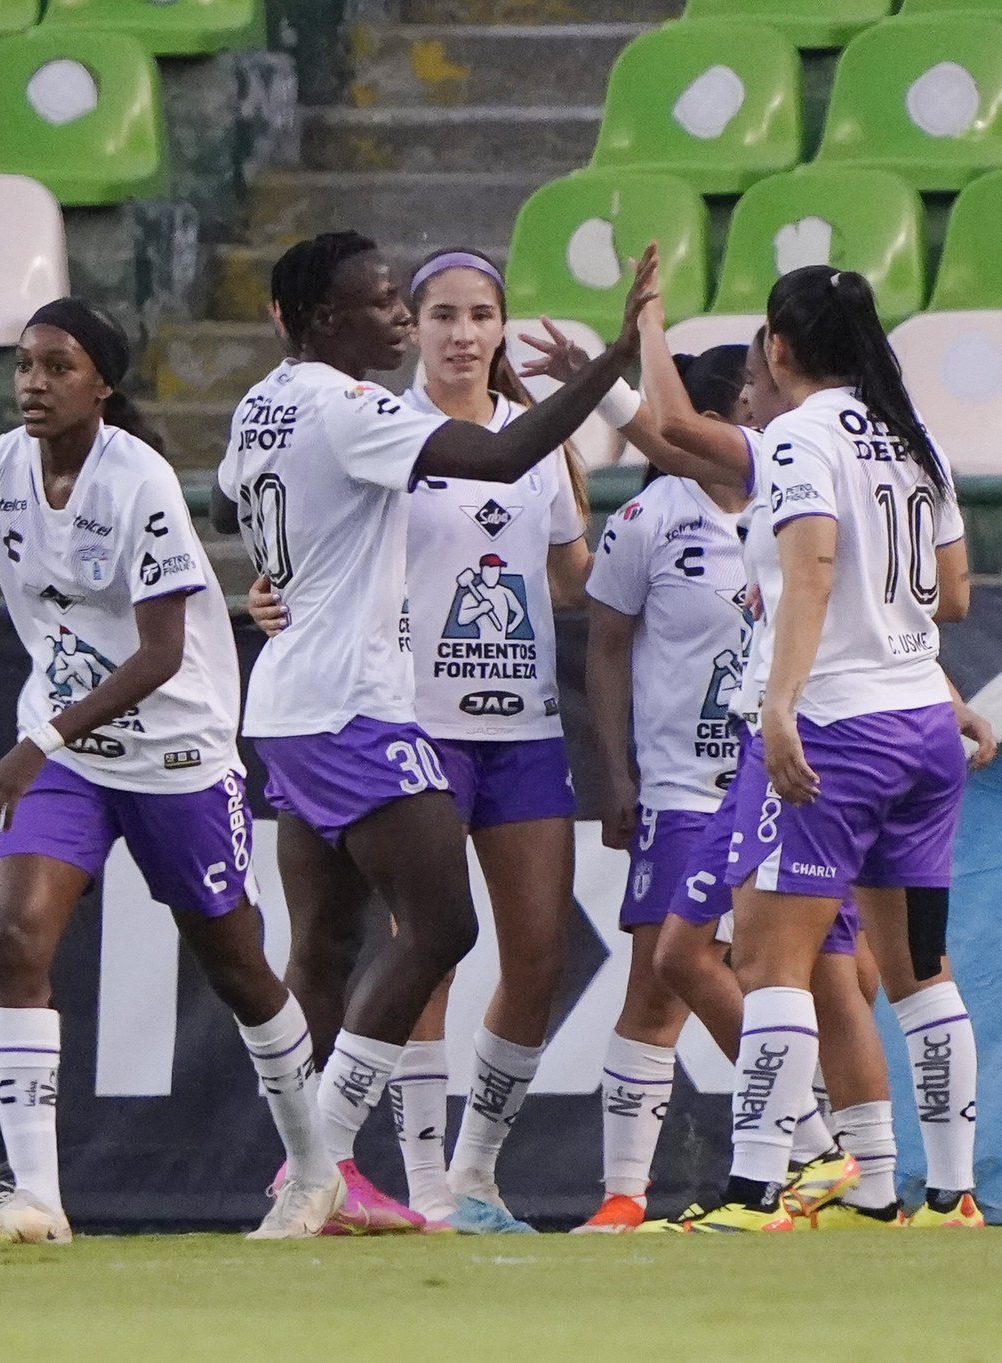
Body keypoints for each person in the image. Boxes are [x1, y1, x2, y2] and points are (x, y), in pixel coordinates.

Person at [212, 232, 655, 1234]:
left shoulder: (271, 400)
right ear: (328, 318)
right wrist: (617, 366)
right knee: (433, 934)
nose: (426, 327)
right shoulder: (373, 415)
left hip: (439, 717)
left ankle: (404, 1177)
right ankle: (354, 1174)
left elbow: (232, 490)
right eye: (407, 308)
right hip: (386, 709)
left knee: (371, 942)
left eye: (474, 313)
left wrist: (283, 563)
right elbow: (497, 455)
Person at [0, 298, 335, 1244]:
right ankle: (38, 1198)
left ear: (103, 383)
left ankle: (316, 1172)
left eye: (58, 366)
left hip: (177, 754)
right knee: (14, 934)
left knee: (238, 967)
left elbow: (162, 653)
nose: (33, 384)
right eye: (25, 366)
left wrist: (34, 743)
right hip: (69, 750)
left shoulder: (140, 483)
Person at [655, 267, 985, 1231]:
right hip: (923, 723)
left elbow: (811, 566)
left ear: (779, 348)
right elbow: (952, 591)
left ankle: (759, 1192)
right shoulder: (910, 436)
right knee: (920, 966)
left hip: (839, 729)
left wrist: (782, 705)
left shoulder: (800, 436)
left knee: (769, 959)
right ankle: (936, 1194)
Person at [574, 345, 874, 1231]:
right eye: (746, 404)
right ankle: (629, 1192)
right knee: (663, 978)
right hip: (684, 785)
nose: (762, 417)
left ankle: (851, 1165)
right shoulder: (647, 519)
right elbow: (606, 645)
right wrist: (617, 771)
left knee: (839, 972)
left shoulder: (799, 497)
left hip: (791, 774)